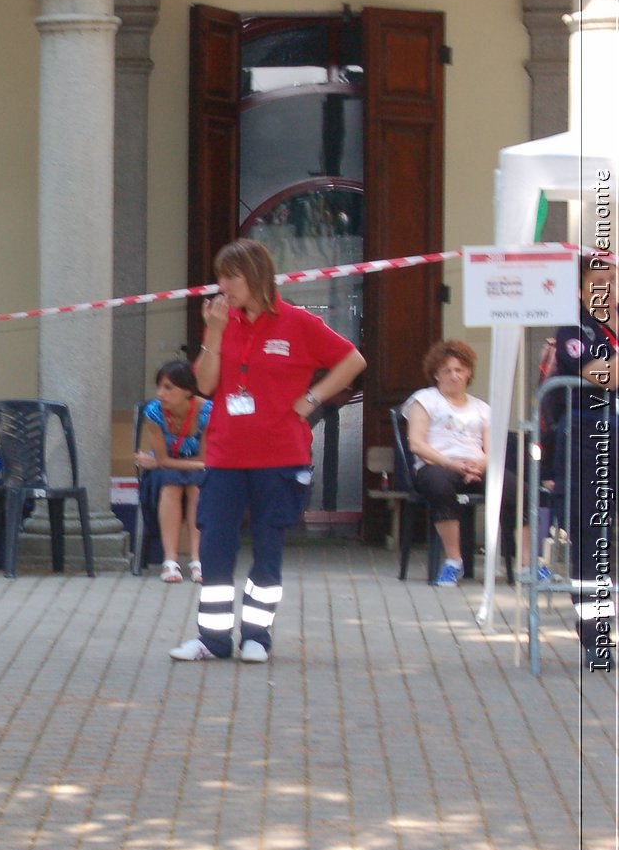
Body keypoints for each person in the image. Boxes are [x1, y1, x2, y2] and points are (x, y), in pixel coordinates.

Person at [170, 237, 366, 663]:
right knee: (215, 547)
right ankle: (213, 639)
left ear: (255, 275)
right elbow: (203, 386)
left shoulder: (298, 323)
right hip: (225, 456)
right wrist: (215, 333)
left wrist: (312, 399)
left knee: (268, 546)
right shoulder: (221, 322)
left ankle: (257, 635)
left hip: (280, 455)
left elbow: (353, 360)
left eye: (230, 276)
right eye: (219, 276)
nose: (222, 285)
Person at [402, 339, 520, 587]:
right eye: (447, 370)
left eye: (459, 370)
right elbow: (416, 444)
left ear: (469, 373)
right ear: (436, 374)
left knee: (517, 489)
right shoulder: (424, 400)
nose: (454, 376)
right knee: (439, 486)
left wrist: (480, 465)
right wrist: (451, 464)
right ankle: (453, 562)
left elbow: (494, 448)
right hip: (436, 465)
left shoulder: (482, 408)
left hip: (475, 467)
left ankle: (528, 565)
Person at [550, 252, 615, 669]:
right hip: (588, 439)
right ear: (580, 288)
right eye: (600, 278)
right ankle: (596, 636)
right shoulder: (575, 327)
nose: (609, 286)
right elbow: (598, 373)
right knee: (591, 540)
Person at [133, 359, 211, 584]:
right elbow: (165, 460)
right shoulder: (154, 413)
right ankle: (170, 561)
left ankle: (198, 560)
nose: (160, 393)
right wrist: (162, 463)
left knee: (196, 486)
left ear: (187, 390)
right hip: (164, 473)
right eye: (159, 387)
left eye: (168, 388)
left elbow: (204, 458)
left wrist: (157, 462)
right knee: (171, 483)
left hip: (187, 469)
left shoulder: (207, 411)